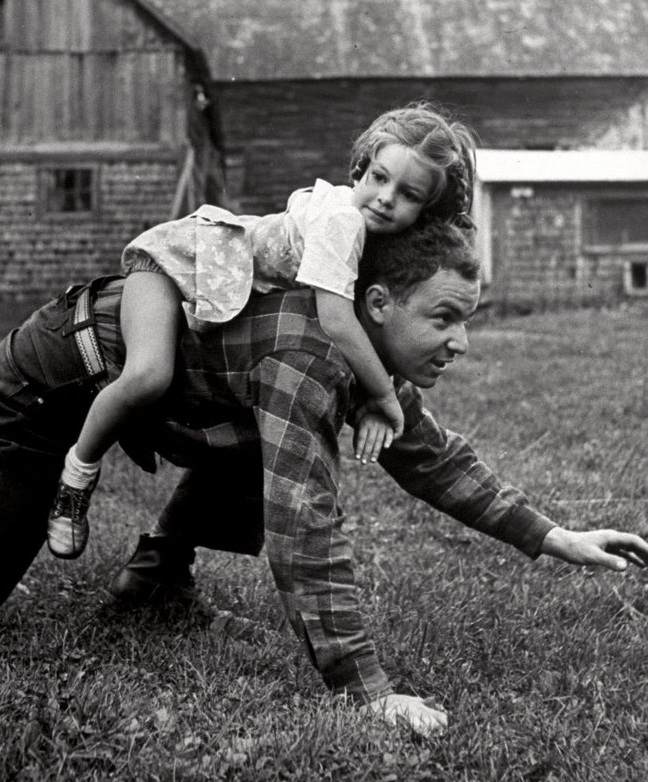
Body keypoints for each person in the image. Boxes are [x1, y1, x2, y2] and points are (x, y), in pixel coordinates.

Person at [0, 221, 645, 738]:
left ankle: (151, 582)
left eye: (466, 319)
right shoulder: (308, 355)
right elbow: (304, 527)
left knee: (248, 441)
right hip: (48, 383)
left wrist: (553, 536)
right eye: (444, 317)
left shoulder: (364, 360)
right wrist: (367, 692)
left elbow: (430, 453)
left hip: (151, 394)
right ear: (374, 307)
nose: (459, 340)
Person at [47, 102, 478, 559]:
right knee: (148, 374)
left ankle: (164, 560)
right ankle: (77, 475)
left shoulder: (375, 240)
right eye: (378, 177)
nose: (387, 197)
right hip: (179, 261)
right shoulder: (342, 222)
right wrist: (385, 397)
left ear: (426, 208)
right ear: (360, 169)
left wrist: (378, 393)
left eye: (409, 194)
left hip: (220, 286)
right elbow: (337, 321)